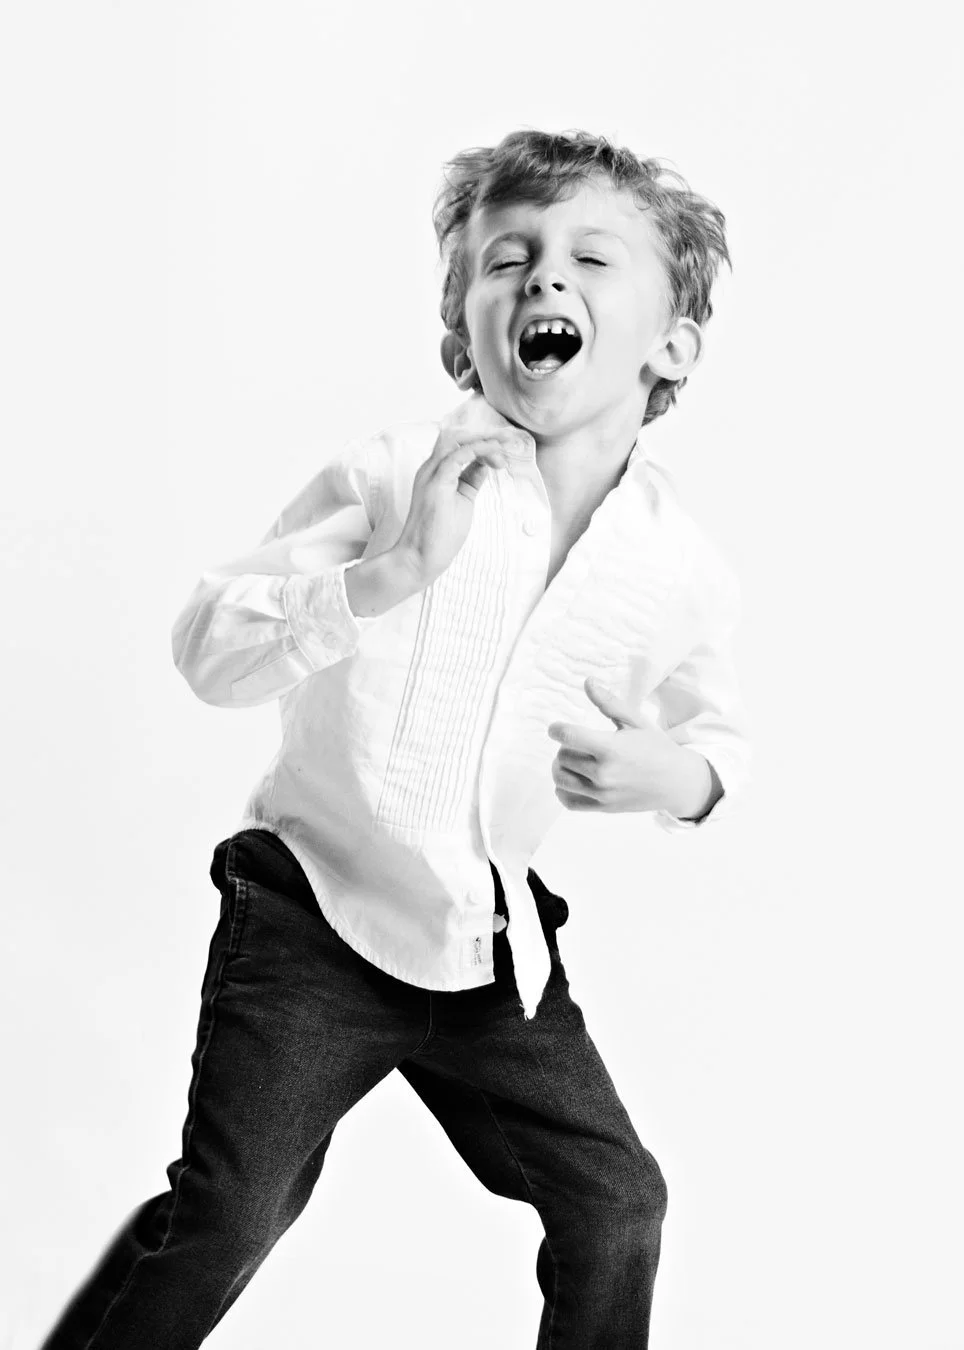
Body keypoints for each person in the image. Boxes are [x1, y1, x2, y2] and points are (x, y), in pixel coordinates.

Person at [41, 128, 751, 1349]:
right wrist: (390, 571)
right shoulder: (391, 478)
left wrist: (675, 777)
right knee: (230, 1212)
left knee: (618, 1204)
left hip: (486, 949)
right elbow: (208, 647)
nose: (544, 276)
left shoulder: (676, 566)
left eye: (591, 258)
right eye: (508, 260)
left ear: (671, 347)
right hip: (314, 918)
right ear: (459, 336)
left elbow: (717, 740)